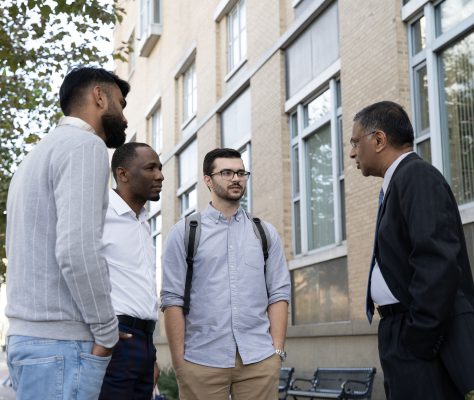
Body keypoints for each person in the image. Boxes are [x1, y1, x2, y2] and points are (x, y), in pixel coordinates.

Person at [350, 101, 474, 399]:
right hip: (401, 330)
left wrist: (418, 338)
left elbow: (437, 263)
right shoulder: (397, 183)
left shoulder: (416, 177)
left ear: (379, 140)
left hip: (419, 339)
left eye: (355, 142)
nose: (352, 152)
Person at [5, 66, 130, 399]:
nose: (125, 117)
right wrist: (107, 334)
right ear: (99, 96)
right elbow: (77, 251)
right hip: (62, 347)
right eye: (120, 103)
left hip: (30, 343)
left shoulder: (36, 156)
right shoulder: (84, 146)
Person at [161, 148, 291, 400]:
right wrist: (180, 364)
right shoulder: (185, 232)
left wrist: (276, 352)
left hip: (259, 360)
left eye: (241, 172)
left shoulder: (264, 232)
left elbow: (279, 293)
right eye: (227, 172)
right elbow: (171, 298)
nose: (236, 178)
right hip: (201, 361)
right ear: (207, 180)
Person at [98, 142, 164, 399]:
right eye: (150, 168)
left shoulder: (144, 220)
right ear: (123, 174)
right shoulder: (100, 212)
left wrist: (150, 354)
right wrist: (101, 331)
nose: (160, 175)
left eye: (160, 168)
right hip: (115, 340)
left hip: (144, 341)